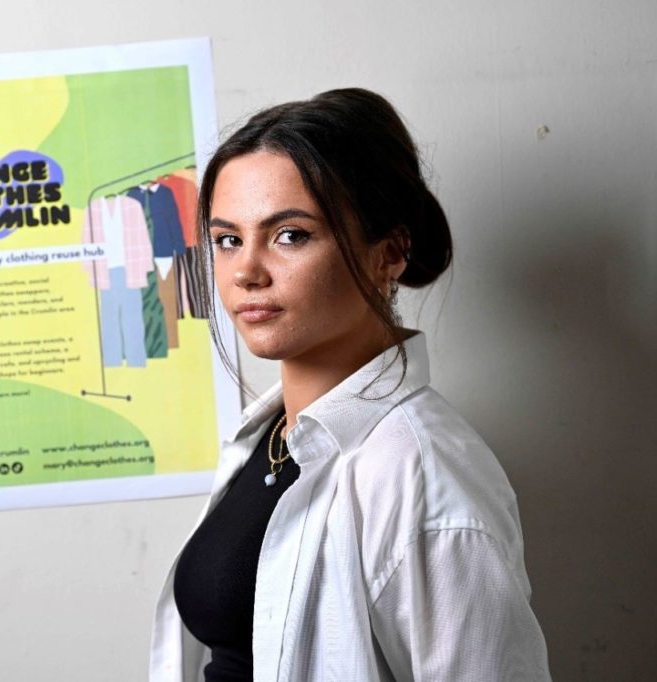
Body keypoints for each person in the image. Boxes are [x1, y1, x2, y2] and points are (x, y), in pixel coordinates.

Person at [149, 88, 551, 681]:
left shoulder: (425, 472)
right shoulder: (269, 437)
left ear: (388, 253)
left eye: (290, 235)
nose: (246, 272)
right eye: (228, 239)